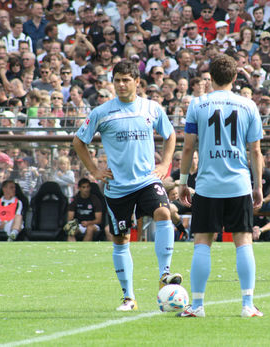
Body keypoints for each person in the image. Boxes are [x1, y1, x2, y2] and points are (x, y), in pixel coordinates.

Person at [73, 60, 182, 311]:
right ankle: (129, 297)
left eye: (126, 80)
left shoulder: (151, 108)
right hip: (118, 187)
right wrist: (94, 170)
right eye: (117, 80)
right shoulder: (102, 112)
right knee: (121, 239)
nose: (121, 85)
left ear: (137, 82)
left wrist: (165, 163)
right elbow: (79, 141)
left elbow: (170, 135)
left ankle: (164, 274)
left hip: (147, 181)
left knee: (164, 212)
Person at [178, 54, 264, 318]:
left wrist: (183, 182)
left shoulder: (198, 104)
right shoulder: (248, 105)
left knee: (203, 242)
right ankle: (247, 305)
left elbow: (188, 146)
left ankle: (198, 305)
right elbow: (256, 150)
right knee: (243, 241)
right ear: (235, 77)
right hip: (238, 184)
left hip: (207, 186)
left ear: (210, 78)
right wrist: (257, 186)